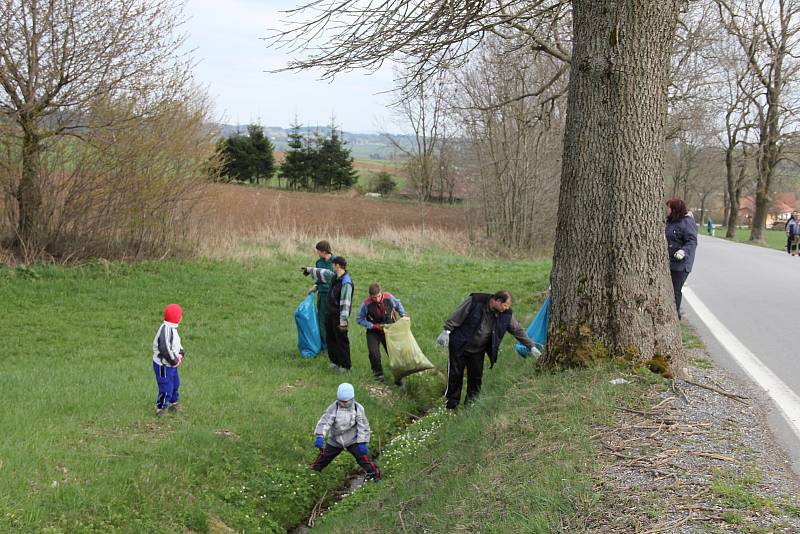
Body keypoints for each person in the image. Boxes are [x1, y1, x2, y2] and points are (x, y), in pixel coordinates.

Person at [436, 291, 539, 411]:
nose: (506, 309)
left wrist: (531, 347)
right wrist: (446, 331)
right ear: (497, 301)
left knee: (476, 378)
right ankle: (451, 406)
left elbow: (517, 330)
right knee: (455, 375)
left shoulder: (505, 315)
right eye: (505, 305)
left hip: (478, 350)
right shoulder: (475, 301)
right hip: (460, 344)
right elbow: (458, 314)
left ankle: (471, 405)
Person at [311, 382, 381, 481]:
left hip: (353, 439)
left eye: (345, 401)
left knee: (363, 458)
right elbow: (325, 422)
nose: (343, 403)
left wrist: (362, 442)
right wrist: (319, 436)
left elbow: (363, 426)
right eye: (341, 401)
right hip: (335, 439)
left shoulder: (358, 408)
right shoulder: (334, 408)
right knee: (325, 457)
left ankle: (375, 474)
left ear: (352, 399)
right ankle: (313, 472)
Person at [302, 256, 353, 371]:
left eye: (333, 264)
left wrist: (343, 320)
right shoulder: (335, 277)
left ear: (338, 265)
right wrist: (309, 270)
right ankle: (335, 361)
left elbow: (346, 302)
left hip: (339, 316)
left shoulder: (346, 282)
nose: (332, 266)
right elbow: (324, 273)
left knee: (341, 340)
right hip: (329, 314)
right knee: (331, 338)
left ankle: (345, 365)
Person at [356, 282, 408, 383]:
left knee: (394, 353)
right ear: (370, 296)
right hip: (373, 331)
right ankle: (378, 375)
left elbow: (398, 304)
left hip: (389, 329)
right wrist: (372, 326)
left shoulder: (389, 297)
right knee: (373, 353)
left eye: (378, 296)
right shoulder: (366, 304)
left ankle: (399, 377)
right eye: (374, 297)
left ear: (381, 293)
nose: (377, 299)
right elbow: (359, 319)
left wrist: (403, 314)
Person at [665, 197, 698, 320]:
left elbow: (692, 241)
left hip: (681, 264)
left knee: (675, 289)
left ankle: (675, 315)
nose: (667, 210)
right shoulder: (670, 221)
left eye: (669, 208)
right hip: (670, 262)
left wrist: (683, 251)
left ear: (675, 209)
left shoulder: (687, 222)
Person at [151, 303, 186, 417]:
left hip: (171, 365)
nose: (181, 318)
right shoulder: (165, 330)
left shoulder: (173, 329)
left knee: (175, 383)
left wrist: (180, 352)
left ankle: (173, 403)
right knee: (166, 386)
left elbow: (176, 344)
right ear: (176, 317)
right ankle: (160, 408)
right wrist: (174, 360)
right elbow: (164, 348)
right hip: (163, 365)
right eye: (180, 315)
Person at [309, 241, 336, 353]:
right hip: (321, 295)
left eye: (318, 251)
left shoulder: (336, 262)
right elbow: (319, 278)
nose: (317, 253)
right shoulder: (318, 263)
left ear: (324, 251)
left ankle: (334, 345)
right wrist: (315, 287)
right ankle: (325, 347)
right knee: (322, 321)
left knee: (332, 321)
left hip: (333, 296)